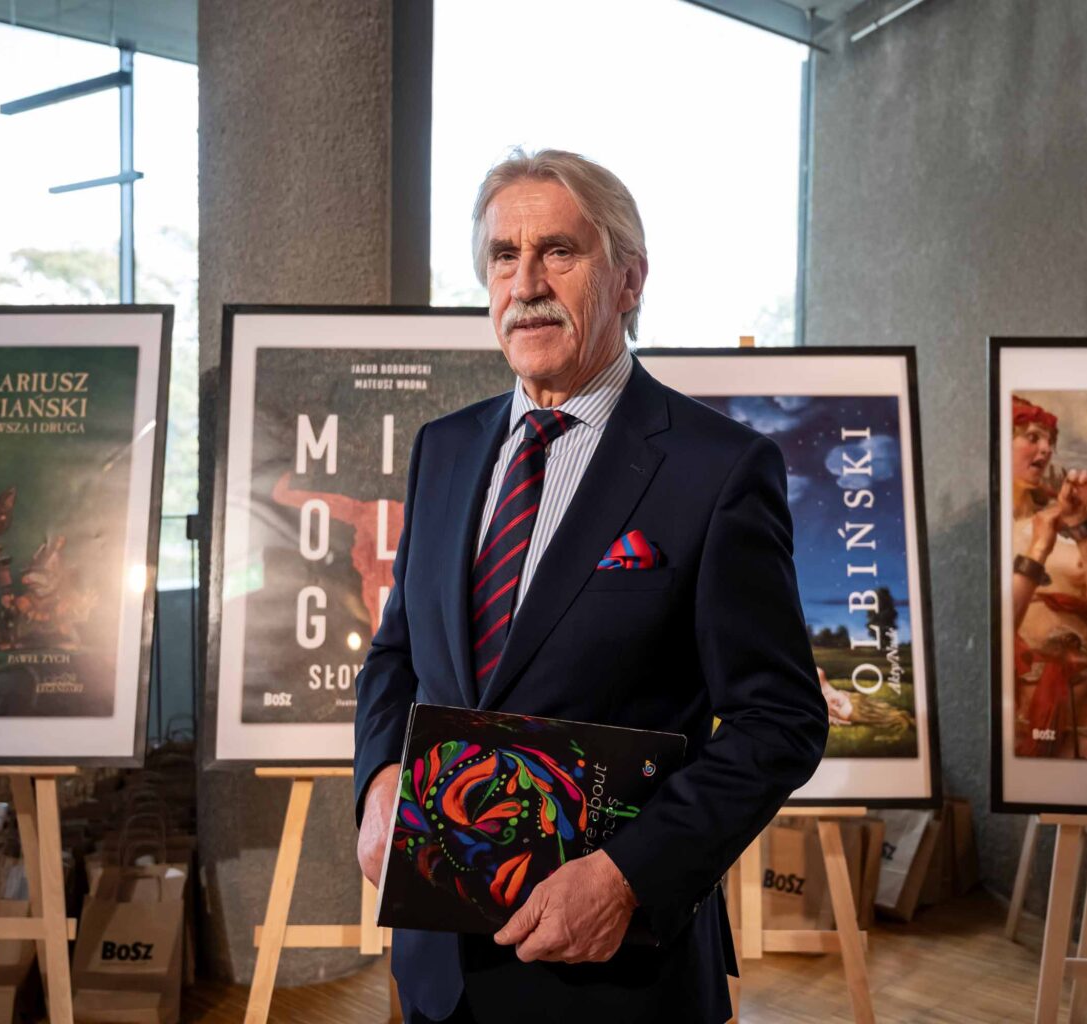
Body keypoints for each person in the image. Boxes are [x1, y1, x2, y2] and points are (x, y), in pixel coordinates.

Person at [352, 149, 828, 1024]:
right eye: (504, 256)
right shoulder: (443, 450)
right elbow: (396, 655)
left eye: (559, 252)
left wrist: (627, 878)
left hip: (617, 976)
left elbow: (781, 720)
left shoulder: (717, 469)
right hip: (441, 969)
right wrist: (380, 778)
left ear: (629, 279)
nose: (526, 283)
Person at [1006, 397, 1087, 758]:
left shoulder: (1061, 516)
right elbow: (995, 629)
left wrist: (1081, 525)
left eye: (1050, 441)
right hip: (1025, 709)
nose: (1046, 449)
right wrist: (1039, 548)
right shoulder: (984, 532)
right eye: (1032, 437)